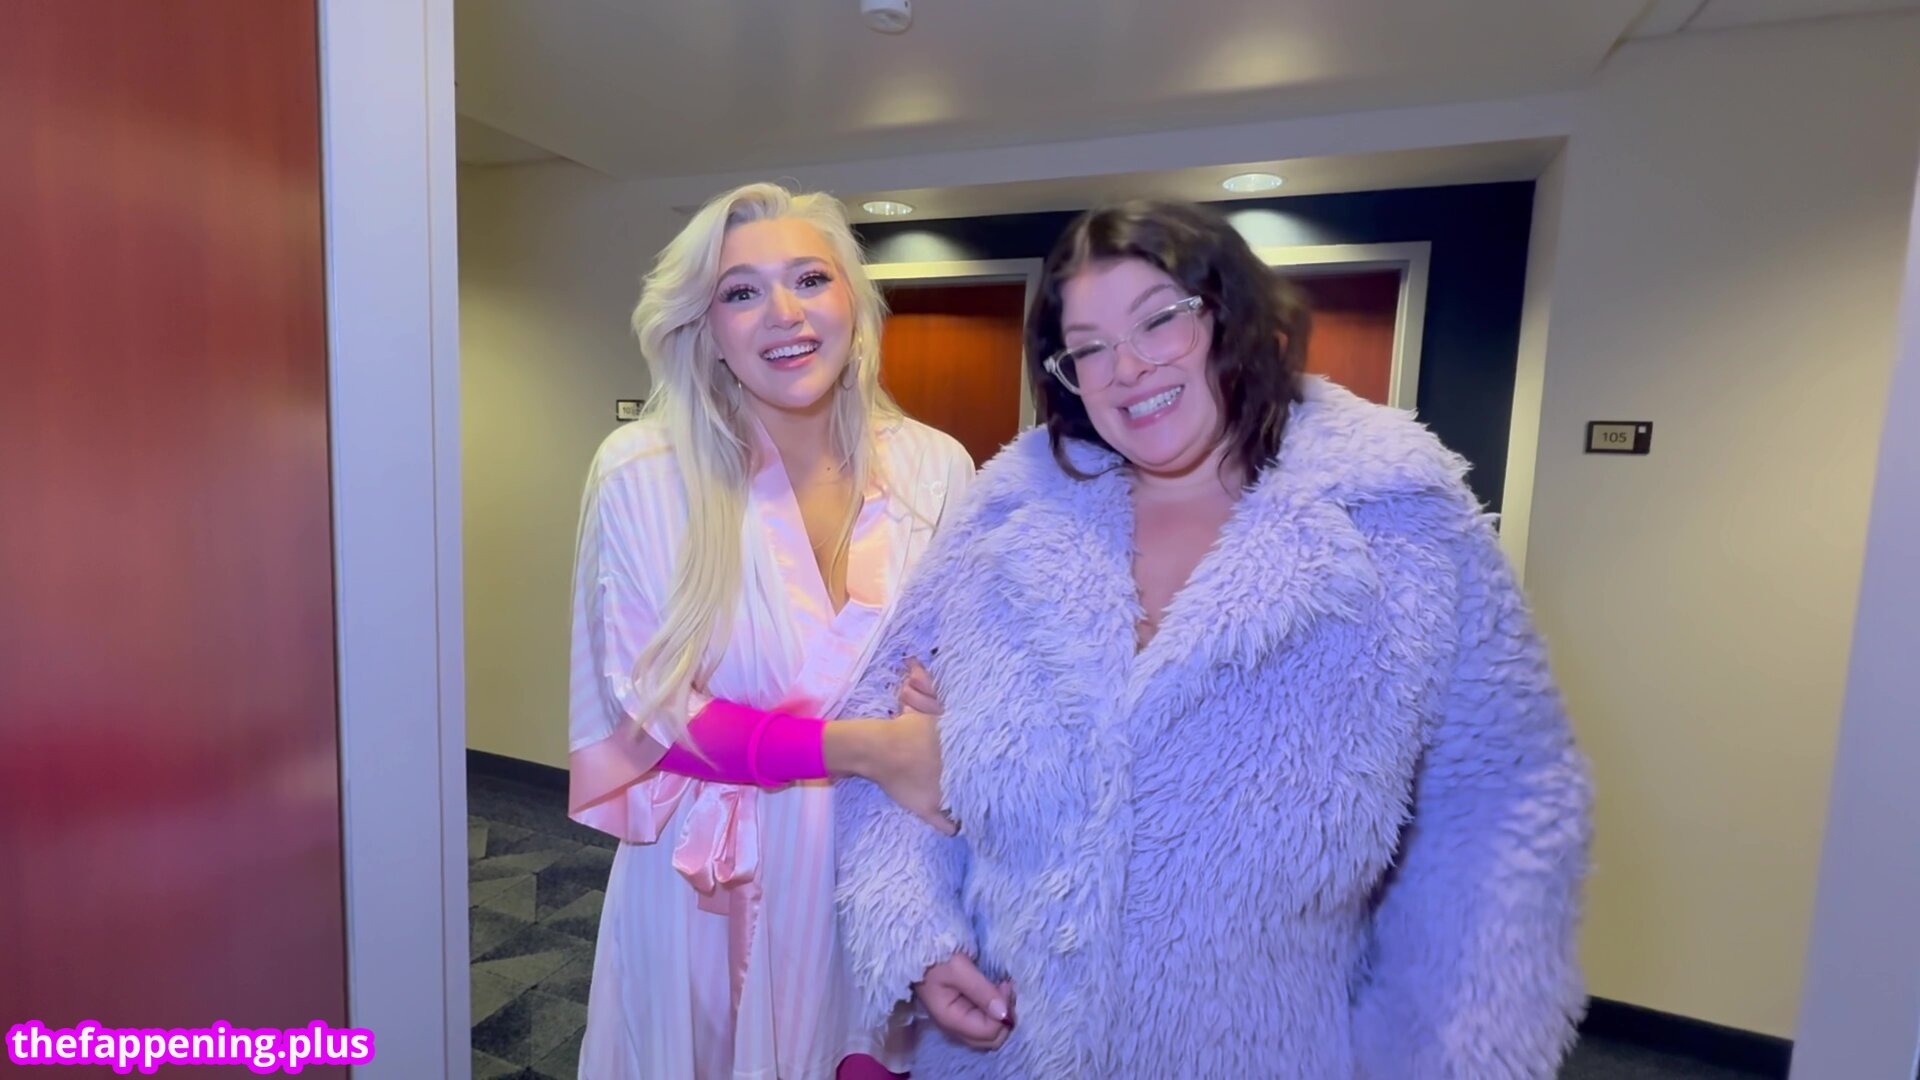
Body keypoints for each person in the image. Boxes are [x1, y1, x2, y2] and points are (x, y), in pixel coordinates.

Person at [833, 199, 1593, 1078]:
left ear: (1232, 315)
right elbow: (887, 753)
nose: (1127, 368)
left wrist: (1444, 1056)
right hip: (1004, 1048)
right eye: (1088, 348)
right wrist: (921, 941)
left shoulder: (1395, 525)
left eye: (1159, 320)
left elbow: (1500, 816)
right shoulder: (1005, 524)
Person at [566, 182, 973, 1080]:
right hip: (707, 885)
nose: (783, 313)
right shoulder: (644, 472)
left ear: (853, 302)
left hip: (880, 868)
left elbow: (969, 667)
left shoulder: (936, 468)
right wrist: (866, 746)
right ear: (706, 328)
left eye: (810, 279)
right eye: (741, 291)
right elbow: (653, 712)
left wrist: (951, 700)